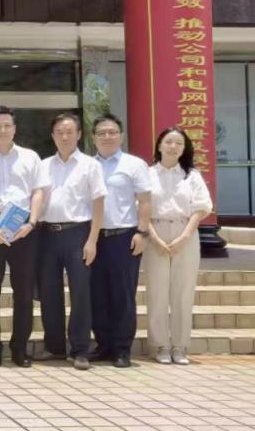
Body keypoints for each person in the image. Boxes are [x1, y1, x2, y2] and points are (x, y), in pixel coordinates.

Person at [0, 106, 45, 368]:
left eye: (7, 125)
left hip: (23, 225)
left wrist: (32, 222)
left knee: (23, 291)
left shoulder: (30, 157)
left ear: (14, 128)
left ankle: (19, 348)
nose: (2, 130)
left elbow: (38, 192)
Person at [36, 113, 106, 371]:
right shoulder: (43, 165)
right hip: (46, 234)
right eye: (59, 132)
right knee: (48, 291)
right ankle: (54, 345)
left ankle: (80, 349)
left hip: (78, 233)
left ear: (78, 135)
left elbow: (99, 203)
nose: (64, 137)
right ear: (52, 136)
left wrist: (92, 240)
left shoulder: (90, 165)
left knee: (81, 292)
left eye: (69, 132)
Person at [143, 127, 213, 365]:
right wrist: (155, 239)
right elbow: (140, 209)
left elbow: (201, 208)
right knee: (157, 292)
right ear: (159, 145)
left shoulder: (192, 175)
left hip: (186, 233)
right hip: (155, 233)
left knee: (183, 292)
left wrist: (184, 237)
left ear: (185, 149)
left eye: (179, 143)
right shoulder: (148, 174)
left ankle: (180, 346)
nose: (173, 147)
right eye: (168, 142)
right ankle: (161, 345)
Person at [90, 114, 152, 368]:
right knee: (96, 294)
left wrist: (142, 232)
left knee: (123, 294)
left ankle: (122, 349)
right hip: (93, 238)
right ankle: (103, 345)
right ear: (93, 138)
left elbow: (145, 200)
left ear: (121, 136)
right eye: (101, 133)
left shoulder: (134, 164)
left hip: (123, 237)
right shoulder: (87, 165)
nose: (107, 136)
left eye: (112, 132)